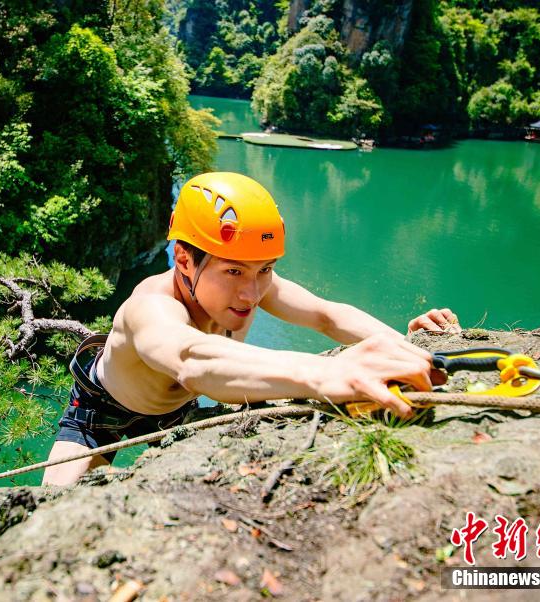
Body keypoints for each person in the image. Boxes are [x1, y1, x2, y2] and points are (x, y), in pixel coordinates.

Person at [42, 172, 459, 486]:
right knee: (53, 506)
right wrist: (328, 372)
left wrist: (403, 344)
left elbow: (327, 316)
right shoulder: (150, 307)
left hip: (179, 411)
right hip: (101, 415)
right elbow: (190, 359)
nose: (251, 293)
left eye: (265, 269)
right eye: (233, 271)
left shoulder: (253, 284)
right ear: (184, 260)